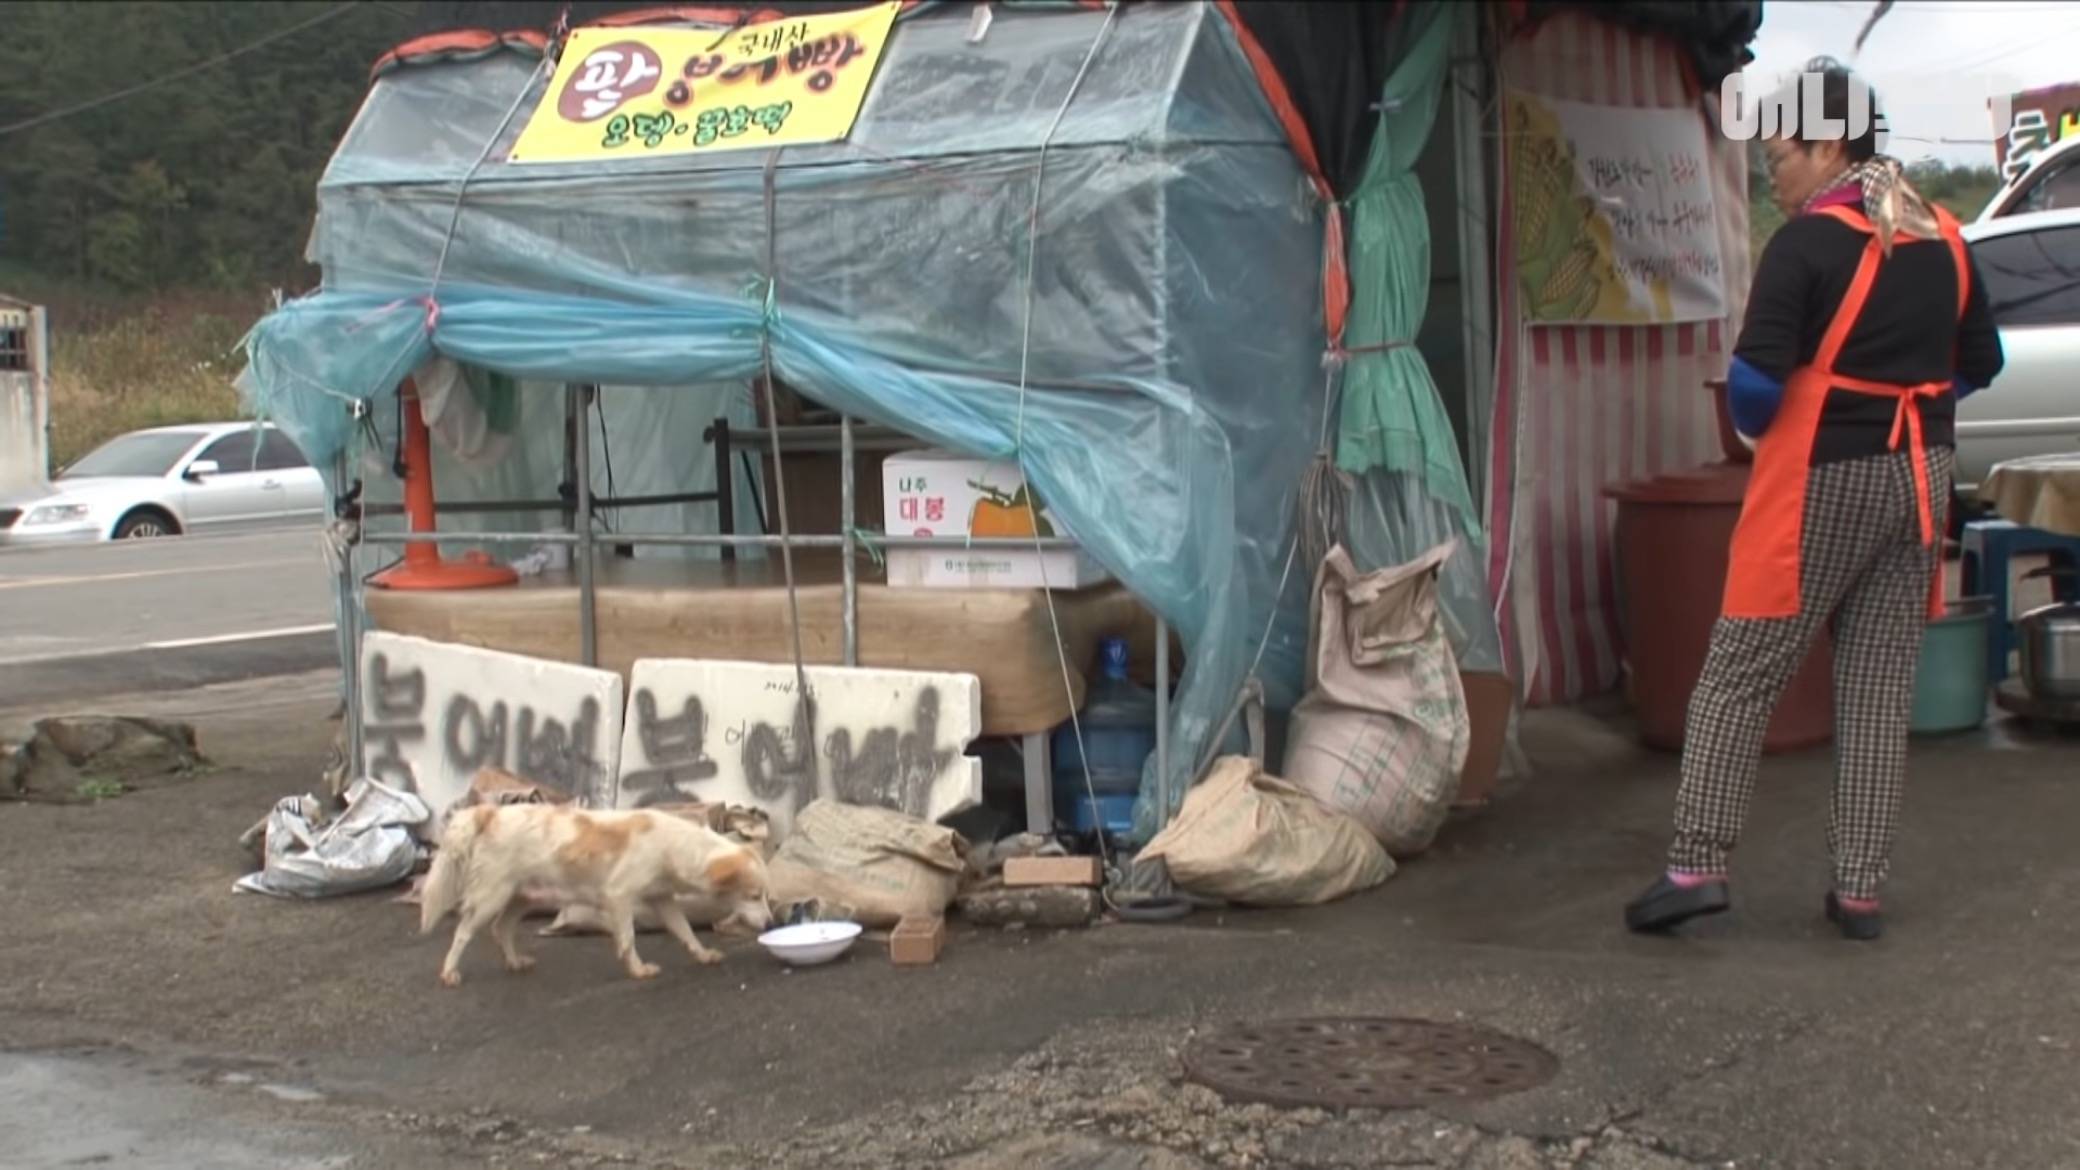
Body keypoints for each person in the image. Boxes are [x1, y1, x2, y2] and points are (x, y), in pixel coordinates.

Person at [1625, 61, 2005, 942]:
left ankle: (1696, 866)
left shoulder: (1805, 244)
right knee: (1876, 686)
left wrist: (1823, 403)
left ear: (1830, 144)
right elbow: (1980, 364)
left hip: (1821, 481)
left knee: (1738, 673)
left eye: (1782, 155)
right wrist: (1906, 396)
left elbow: (1754, 392)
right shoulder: (1944, 235)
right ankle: (1860, 890)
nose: (1774, 172)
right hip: (1920, 479)